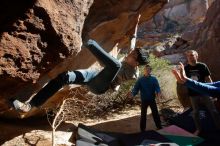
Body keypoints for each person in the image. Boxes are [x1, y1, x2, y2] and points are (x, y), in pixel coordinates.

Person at [13, 39, 148, 113]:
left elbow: (112, 70)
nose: (130, 54)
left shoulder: (132, 74)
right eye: (132, 52)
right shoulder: (131, 59)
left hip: (101, 85)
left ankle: (90, 43)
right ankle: (30, 106)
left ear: (136, 63)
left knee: (115, 65)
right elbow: (132, 43)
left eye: (133, 55)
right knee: (65, 77)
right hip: (94, 74)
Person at [182, 50, 220, 135]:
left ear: (196, 56)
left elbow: (208, 79)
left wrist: (212, 92)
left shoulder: (202, 66)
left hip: (204, 91)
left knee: (213, 110)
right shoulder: (185, 68)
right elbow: (184, 80)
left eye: (192, 55)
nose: (190, 57)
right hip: (193, 93)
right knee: (195, 112)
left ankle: (218, 126)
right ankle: (199, 129)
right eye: (188, 56)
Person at [130, 64, 162, 132]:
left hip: (152, 99)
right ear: (144, 70)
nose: (147, 71)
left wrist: (159, 96)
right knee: (143, 115)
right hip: (144, 100)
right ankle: (142, 129)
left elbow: (157, 88)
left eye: (149, 69)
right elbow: (136, 89)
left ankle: (159, 127)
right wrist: (132, 94)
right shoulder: (140, 80)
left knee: (155, 113)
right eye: (146, 69)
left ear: (150, 70)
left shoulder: (154, 79)